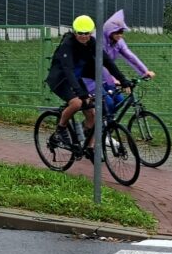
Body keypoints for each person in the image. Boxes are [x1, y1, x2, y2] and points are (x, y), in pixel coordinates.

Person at [45, 14, 131, 159]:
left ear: (91, 33)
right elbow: (68, 70)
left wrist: (123, 80)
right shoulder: (68, 44)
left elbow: (107, 61)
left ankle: (90, 147)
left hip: (76, 79)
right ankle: (60, 129)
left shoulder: (92, 43)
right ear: (74, 32)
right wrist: (80, 93)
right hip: (61, 79)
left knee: (93, 114)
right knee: (77, 102)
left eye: (87, 33)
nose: (84, 36)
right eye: (80, 33)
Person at [83, 8, 156, 113]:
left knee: (119, 100)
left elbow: (129, 55)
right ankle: (95, 126)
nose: (120, 35)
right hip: (90, 77)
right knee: (108, 102)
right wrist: (113, 80)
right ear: (109, 31)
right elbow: (101, 64)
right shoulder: (98, 40)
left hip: (106, 77)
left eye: (121, 32)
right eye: (117, 32)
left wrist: (145, 71)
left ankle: (107, 124)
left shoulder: (118, 42)